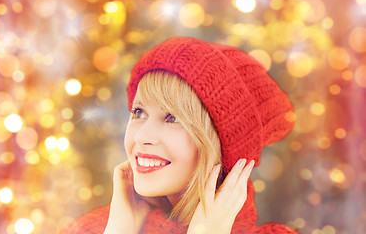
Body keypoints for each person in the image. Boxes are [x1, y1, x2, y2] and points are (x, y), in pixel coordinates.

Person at [60, 37, 298, 234]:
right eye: (139, 112)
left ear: (224, 146)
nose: (142, 136)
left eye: (173, 118)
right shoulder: (93, 228)